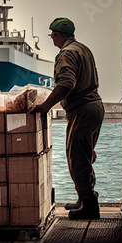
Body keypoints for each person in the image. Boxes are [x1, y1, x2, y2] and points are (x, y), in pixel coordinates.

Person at [31, 17, 104, 219]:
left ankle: (89, 207)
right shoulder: (83, 49)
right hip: (95, 107)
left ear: (56, 35)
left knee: (78, 158)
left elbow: (66, 83)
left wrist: (45, 106)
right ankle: (84, 198)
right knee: (86, 155)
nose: (52, 40)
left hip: (81, 109)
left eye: (52, 36)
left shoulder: (66, 53)